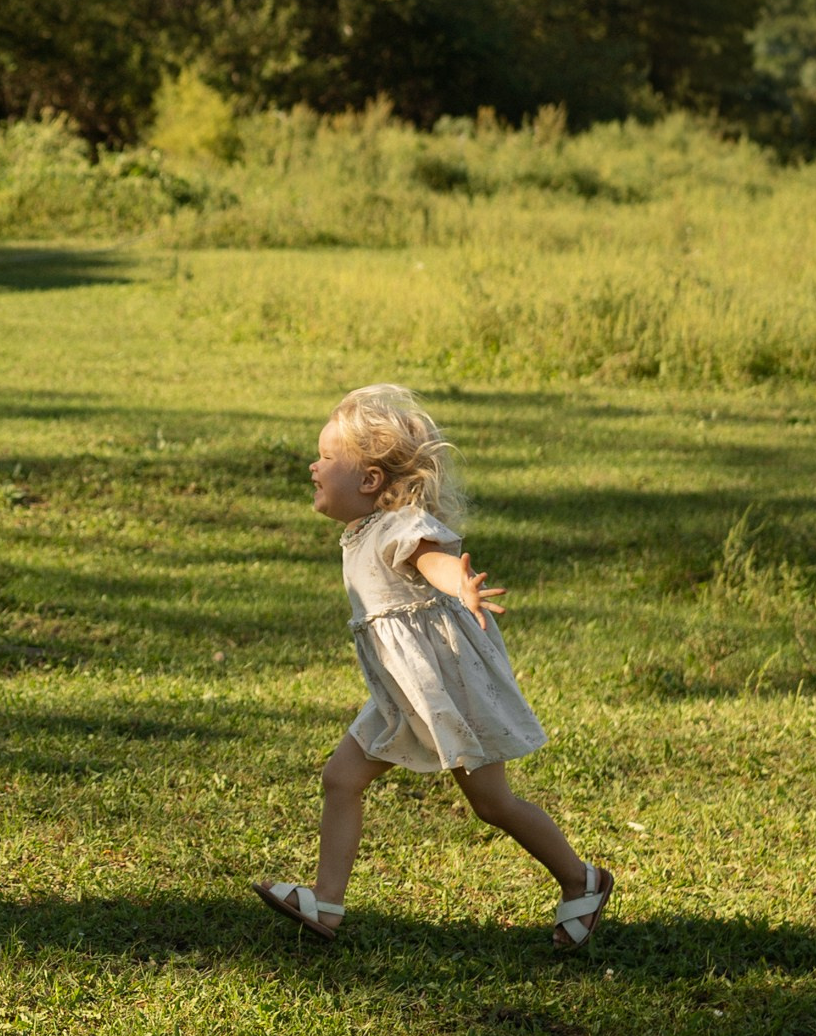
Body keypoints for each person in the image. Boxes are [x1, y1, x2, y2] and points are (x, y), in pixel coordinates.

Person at [255, 384, 613, 949]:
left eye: (326, 457)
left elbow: (434, 559)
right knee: (341, 778)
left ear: (370, 480)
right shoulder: (362, 531)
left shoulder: (399, 526)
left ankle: (582, 881)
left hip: (446, 689)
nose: (313, 465)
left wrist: (461, 584)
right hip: (404, 694)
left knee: (492, 804)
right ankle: (326, 904)